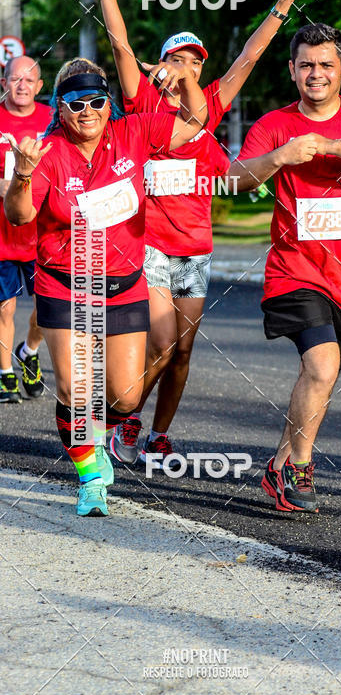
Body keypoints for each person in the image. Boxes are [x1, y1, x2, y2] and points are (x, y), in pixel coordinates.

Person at [91, 0, 310, 467]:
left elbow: (250, 56)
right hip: (148, 244)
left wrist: (283, 4)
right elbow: (120, 44)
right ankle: (121, 418)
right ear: (162, 63)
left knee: (182, 351)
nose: (186, 66)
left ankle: (157, 433)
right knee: (162, 341)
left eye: (194, 61)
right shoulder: (142, 102)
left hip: (196, 247)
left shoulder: (210, 106)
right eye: (177, 58)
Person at [4, 56, 208, 516]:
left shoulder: (133, 132)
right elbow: (19, 216)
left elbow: (195, 121)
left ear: (108, 103)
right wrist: (23, 173)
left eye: (96, 101)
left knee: (125, 397)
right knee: (75, 391)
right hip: (65, 285)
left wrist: (186, 78)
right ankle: (90, 478)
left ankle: (96, 436)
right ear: (60, 107)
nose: (88, 111)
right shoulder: (48, 151)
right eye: (76, 103)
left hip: (123, 285)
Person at [228, 23, 341, 514]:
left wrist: (332, 146)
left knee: (321, 378)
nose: (317, 73)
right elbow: (234, 179)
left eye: (326, 64)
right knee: (322, 365)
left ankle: (279, 464)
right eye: (306, 64)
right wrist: (280, 156)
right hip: (294, 271)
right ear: (292, 70)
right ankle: (301, 469)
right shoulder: (273, 124)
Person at [0, 56, 51, 402]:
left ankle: (28, 351)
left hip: (41, 235)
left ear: (39, 86)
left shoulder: (52, 119)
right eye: (15, 79)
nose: (22, 85)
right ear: (4, 83)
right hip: (2, 236)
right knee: (4, 307)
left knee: (48, 307)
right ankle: (5, 373)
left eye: (29, 80)